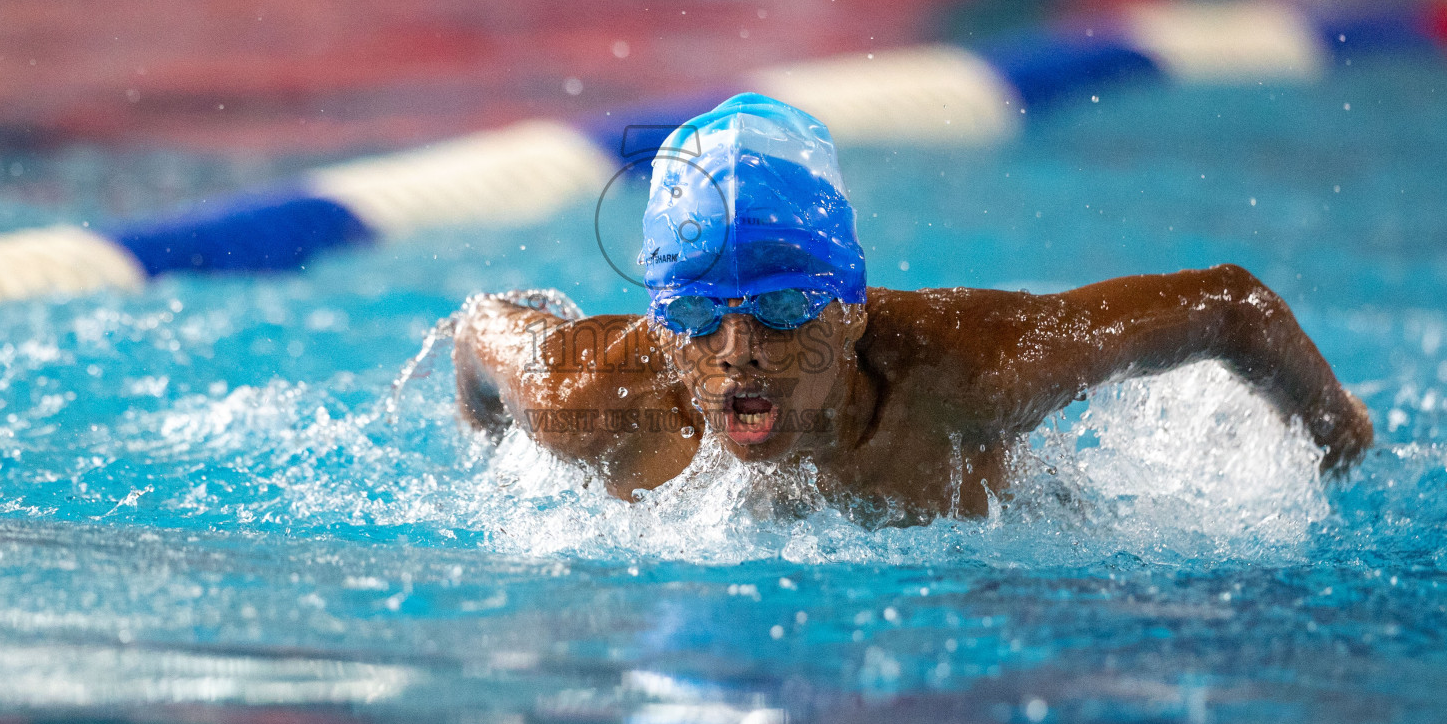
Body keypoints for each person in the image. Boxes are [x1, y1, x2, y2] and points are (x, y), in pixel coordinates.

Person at [452, 94, 1372, 524]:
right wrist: (489, 447)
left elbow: (1230, 305)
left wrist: (1338, 440)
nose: (736, 353)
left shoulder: (976, 370)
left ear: (851, 309)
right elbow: (478, 327)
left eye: (779, 307)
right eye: (698, 316)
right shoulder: (590, 394)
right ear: (659, 320)